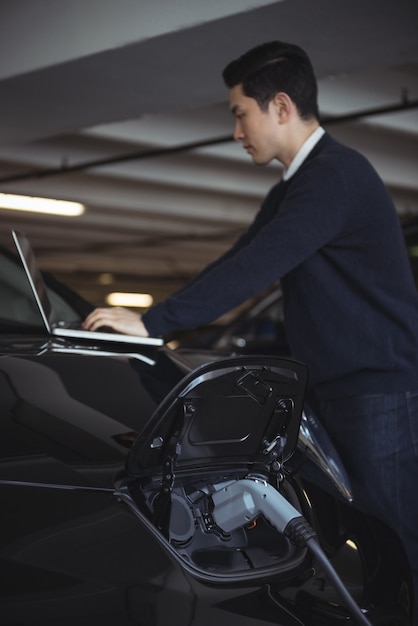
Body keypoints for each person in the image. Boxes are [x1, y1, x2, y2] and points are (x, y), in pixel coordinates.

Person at [84, 41, 418, 621]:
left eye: (240, 113)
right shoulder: (292, 188)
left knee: (392, 533)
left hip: (379, 389)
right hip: (342, 387)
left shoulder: (336, 175)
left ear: (281, 107)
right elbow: (237, 259)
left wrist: (152, 321)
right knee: (355, 527)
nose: (236, 131)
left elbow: (258, 265)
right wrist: (151, 321)